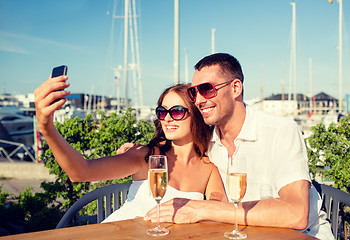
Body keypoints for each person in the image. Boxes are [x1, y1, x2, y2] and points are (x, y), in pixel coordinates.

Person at [143, 53, 334, 239]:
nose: (199, 100)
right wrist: (139, 148)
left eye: (207, 89)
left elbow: (296, 213)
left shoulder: (280, 131)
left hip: (304, 235)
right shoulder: (206, 139)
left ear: (235, 88)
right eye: (194, 93)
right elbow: (175, 143)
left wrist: (202, 208)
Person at [34, 78, 227, 222]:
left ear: (197, 116)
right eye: (162, 111)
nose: (167, 118)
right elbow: (81, 172)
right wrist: (47, 129)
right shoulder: (146, 156)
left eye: (176, 111)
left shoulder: (209, 168)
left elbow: (220, 209)